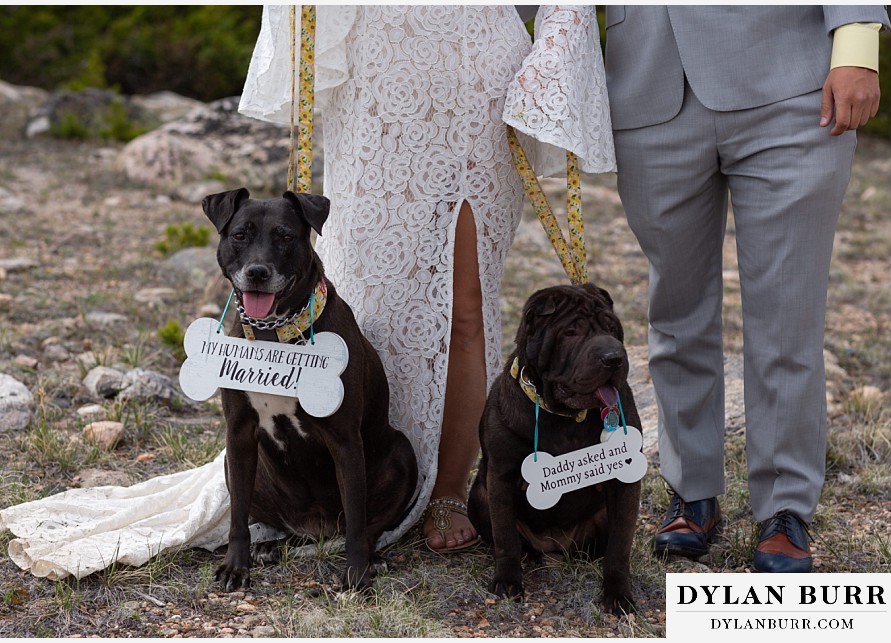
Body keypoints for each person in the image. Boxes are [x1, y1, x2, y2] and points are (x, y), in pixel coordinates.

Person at [240, 5, 615, 552]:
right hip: (377, 69)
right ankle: (321, 483)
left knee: (466, 304)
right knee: (358, 288)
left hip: (479, 71)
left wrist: (554, 52)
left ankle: (448, 490)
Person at [602, 6, 889, 572]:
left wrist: (857, 44)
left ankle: (786, 508)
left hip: (792, 89)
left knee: (787, 318)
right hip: (649, 91)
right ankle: (693, 492)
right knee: (675, 313)